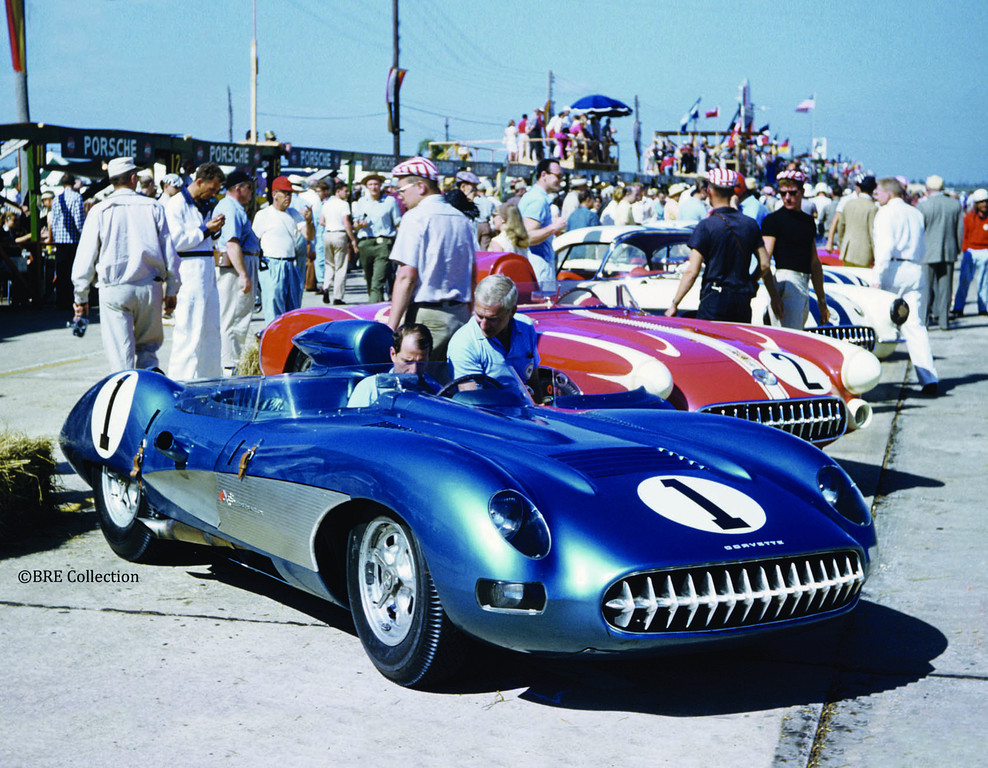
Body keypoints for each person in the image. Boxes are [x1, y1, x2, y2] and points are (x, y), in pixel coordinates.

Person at [70, 157, 180, 372]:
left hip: (115, 289)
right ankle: (149, 395)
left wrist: (80, 297)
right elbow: (170, 252)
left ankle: (124, 395)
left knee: (121, 358)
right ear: (133, 178)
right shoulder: (154, 207)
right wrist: (173, 289)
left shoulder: (99, 211)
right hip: (150, 287)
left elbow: (85, 259)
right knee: (148, 352)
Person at [666, 168, 782, 323]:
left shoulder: (706, 226)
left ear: (709, 191)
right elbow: (765, 265)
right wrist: (751, 281)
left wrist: (675, 304)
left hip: (714, 300)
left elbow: (691, 272)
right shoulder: (750, 224)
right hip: (742, 301)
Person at [387, 156, 476, 360]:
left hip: (427, 316)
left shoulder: (415, 217)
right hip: (460, 314)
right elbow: (471, 274)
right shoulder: (461, 219)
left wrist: (391, 326)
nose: (400, 196)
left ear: (420, 186)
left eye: (402, 190)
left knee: (422, 383)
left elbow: (406, 277)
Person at [872, 177, 938, 395]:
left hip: (893, 268)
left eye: (878, 192)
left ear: (889, 194)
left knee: (879, 322)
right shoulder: (915, 213)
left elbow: (885, 247)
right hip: (914, 269)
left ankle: (872, 378)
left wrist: (877, 277)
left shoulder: (886, 213)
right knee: (916, 325)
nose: (876, 195)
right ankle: (928, 377)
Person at [165, 162, 227, 380]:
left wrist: (214, 230)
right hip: (189, 270)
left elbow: (203, 237)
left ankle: (209, 379)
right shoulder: (176, 205)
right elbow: (178, 240)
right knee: (188, 330)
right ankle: (181, 381)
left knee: (211, 330)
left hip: (207, 269)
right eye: (212, 188)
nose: (214, 193)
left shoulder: (204, 205)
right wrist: (204, 229)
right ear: (199, 182)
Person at [760, 170, 830, 329]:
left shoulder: (808, 221)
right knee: (787, 340)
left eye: (792, 193)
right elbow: (764, 263)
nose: (787, 197)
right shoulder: (773, 220)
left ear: (802, 192)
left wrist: (821, 300)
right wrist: (774, 296)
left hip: (802, 283)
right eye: (783, 193)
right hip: (785, 280)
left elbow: (814, 263)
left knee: (795, 335)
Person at [447, 274, 540, 392]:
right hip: (488, 408)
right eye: (480, 316)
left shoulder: (526, 326)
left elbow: (533, 378)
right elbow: (472, 401)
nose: (484, 326)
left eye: (493, 319)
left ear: (512, 312)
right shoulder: (463, 343)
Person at [212, 169, 259, 375]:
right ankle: (230, 365)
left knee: (237, 316)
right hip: (234, 268)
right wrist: (244, 275)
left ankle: (232, 362)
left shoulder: (234, 207)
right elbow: (232, 243)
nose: (251, 192)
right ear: (238, 188)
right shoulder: (229, 208)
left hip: (241, 264)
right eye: (249, 188)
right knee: (233, 317)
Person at [252, 175, 314, 325]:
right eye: (285, 193)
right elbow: (254, 242)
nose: (288, 197)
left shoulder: (293, 214)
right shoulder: (263, 214)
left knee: (293, 309)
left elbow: (308, 235)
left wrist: (309, 221)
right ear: (274, 194)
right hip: (271, 263)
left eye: (290, 194)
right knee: (273, 308)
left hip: (290, 265)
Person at [347, 323, 433, 408]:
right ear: (393, 354)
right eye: (407, 361)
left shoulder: (434, 390)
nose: (414, 370)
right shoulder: (371, 389)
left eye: (421, 363)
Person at [916, 174, 963, 329]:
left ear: (928, 189)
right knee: (946, 289)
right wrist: (957, 248)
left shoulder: (923, 206)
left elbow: (919, 231)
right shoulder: (955, 205)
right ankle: (944, 321)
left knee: (926, 288)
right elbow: (959, 230)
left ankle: (924, 320)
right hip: (948, 251)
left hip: (927, 252)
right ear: (942, 188)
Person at [351, 173, 401, 303]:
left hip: (383, 243)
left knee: (377, 282)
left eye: (376, 184)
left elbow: (398, 223)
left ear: (381, 186)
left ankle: (373, 309)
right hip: (366, 242)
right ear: (366, 187)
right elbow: (355, 224)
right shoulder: (362, 202)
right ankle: (374, 304)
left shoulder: (389, 201)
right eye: (370, 185)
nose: (373, 187)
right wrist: (359, 226)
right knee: (369, 279)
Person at [518, 158, 567, 289]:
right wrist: (553, 227)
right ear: (544, 175)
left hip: (535, 264)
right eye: (558, 176)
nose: (561, 180)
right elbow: (528, 237)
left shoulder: (534, 196)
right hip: (538, 266)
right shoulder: (538, 200)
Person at [49, 172, 85, 310]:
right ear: (73, 183)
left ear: (63, 184)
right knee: (72, 272)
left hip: (60, 241)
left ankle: (60, 301)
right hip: (73, 241)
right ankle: (71, 300)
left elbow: (54, 221)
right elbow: (79, 221)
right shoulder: (77, 198)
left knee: (61, 271)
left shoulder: (57, 199)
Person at [952, 188, 988, 317]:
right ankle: (958, 307)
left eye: (985, 202)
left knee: (984, 282)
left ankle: (983, 307)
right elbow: (964, 235)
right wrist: (965, 250)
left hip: (985, 252)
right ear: (976, 204)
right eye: (981, 202)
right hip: (971, 252)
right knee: (964, 280)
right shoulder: (969, 218)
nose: (984, 205)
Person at [320, 180, 355, 305]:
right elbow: (346, 222)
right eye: (345, 191)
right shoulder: (344, 204)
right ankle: (337, 296)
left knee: (329, 264)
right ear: (338, 191)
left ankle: (325, 286)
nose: (348, 193)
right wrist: (353, 239)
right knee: (341, 266)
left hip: (328, 234)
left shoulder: (327, 203)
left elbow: (321, 221)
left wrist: (330, 224)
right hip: (339, 234)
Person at [832, 174, 877, 266]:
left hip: (847, 250)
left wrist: (842, 244)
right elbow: (873, 233)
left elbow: (841, 227)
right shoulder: (873, 208)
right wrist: (876, 254)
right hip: (864, 253)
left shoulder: (849, 203)